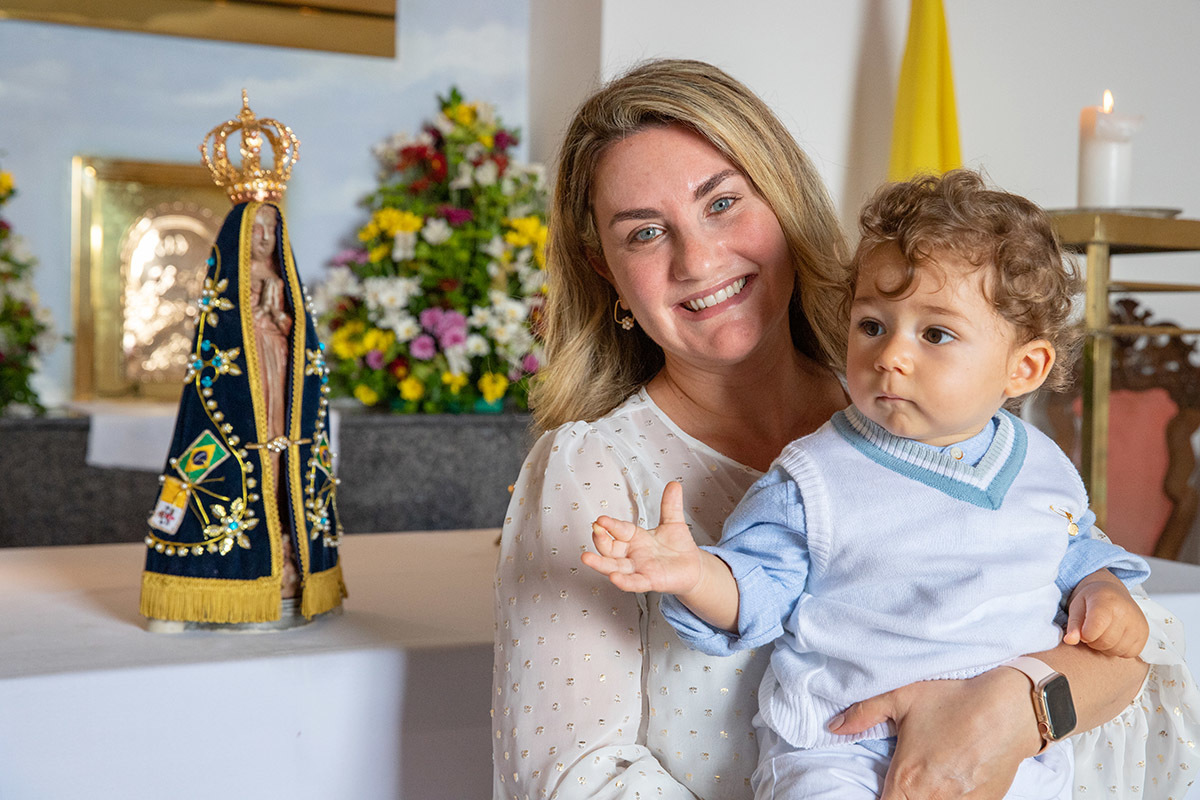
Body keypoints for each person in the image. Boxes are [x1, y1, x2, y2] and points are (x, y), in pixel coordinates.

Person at [492, 58, 1193, 800]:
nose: (697, 259)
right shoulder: (595, 469)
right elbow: (573, 778)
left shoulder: (949, 429)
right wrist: (694, 573)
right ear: (606, 270)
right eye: (644, 234)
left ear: (785, 204)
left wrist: (1006, 714)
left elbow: (1131, 646)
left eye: (723, 203)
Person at [583, 169, 1157, 799]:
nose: (890, 355)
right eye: (873, 325)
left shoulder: (1041, 464)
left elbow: (1073, 550)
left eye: (935, 333)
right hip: (840, 748)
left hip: (1008, 754)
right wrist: (694, 574)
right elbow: (760, 586)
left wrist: (1103, 590)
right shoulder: (815, 475)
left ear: (1023, 367)